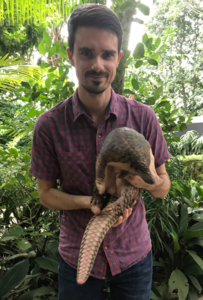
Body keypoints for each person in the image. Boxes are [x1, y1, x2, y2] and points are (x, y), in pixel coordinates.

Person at [29, 3, 171, 300]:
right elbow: (45, 193)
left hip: (133, 254)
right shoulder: (49, 125)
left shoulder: (143, 117)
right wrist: (90, 203)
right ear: (70, 55)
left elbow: (162, 187)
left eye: (107, 54)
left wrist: (140, 180)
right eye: (86, 52)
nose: (97, 64)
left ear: (118, 58)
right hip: (77, 254)